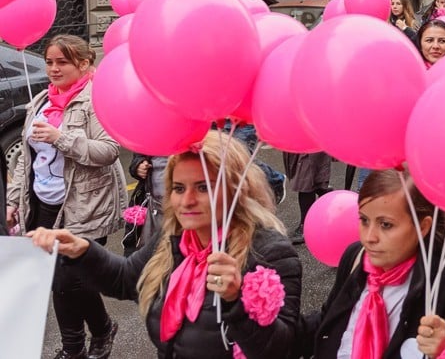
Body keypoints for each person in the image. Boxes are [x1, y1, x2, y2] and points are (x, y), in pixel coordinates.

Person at [30, 131, 302, 359]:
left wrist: (236, 302)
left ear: (234, 188)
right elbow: (126, 278)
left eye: (203, 187)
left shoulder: (271, 254)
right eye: (179, 188)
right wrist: (83, 251)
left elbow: (281, 348)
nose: (187, 201)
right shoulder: (175, 236)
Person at [6, 34, 126, 359]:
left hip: (85, 206)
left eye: (63, 62)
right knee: (64, 280)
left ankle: (76, 348)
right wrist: (14, 201)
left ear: (84, 63)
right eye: (49, 62)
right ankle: (99, 331)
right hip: (45, 206)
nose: (54, 69)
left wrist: (62, 138)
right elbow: (25, 161)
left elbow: (109, 151)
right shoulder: (43, 100)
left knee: (65, 281)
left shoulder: (97, 100)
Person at [296, 169, 445, 358]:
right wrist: (275, 323)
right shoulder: (356, 258)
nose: (369, 237)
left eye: (386, 225)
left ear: (422, 227)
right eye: (364, 220)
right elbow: (329, 321)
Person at [284, 151, 332, 245]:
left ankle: (305, 226)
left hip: (311, 144)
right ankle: (326, 194)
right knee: (312, 179)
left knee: (305, 182)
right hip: (298, 143)